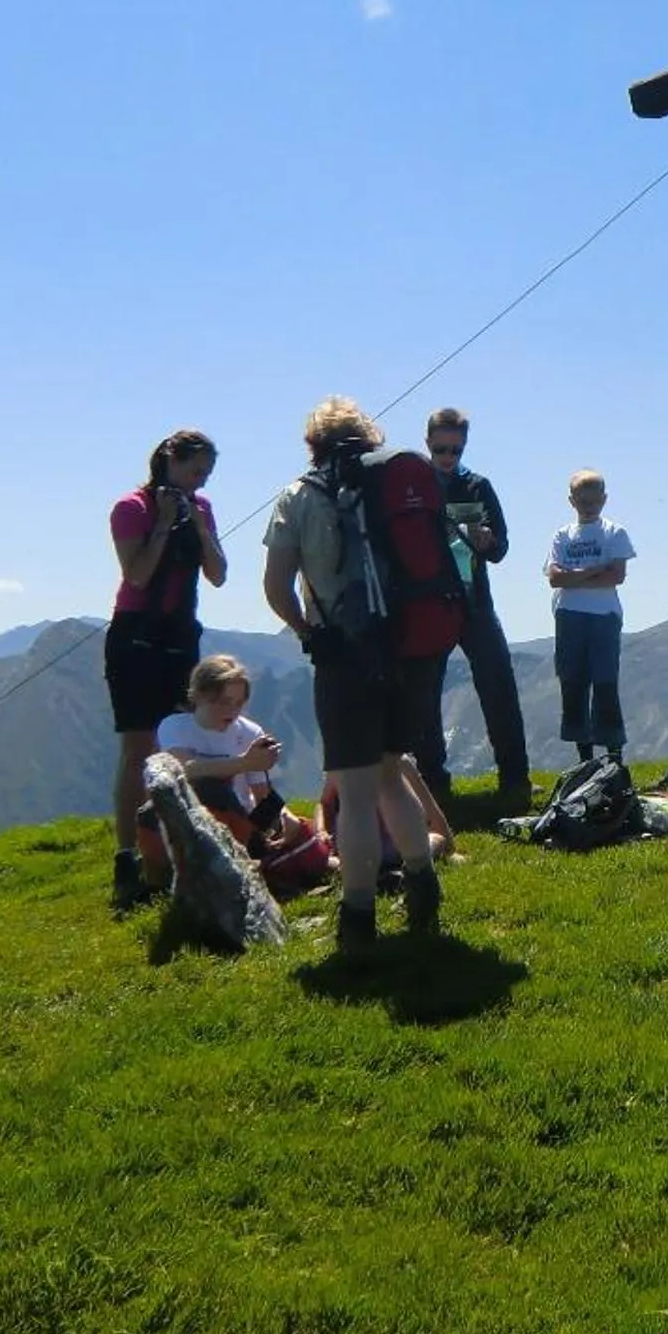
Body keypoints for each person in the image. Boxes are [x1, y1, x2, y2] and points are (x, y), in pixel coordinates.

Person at [262, 396, 444, 955]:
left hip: (343, 655)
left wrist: (308, 630)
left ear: (312, 443)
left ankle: (359, 920)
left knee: (357, 794)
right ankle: (423, 890)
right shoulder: (391, 483)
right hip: (406, 649)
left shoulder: (298, 496)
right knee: (392, 775)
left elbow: (276, 587)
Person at [107, 430, 230, 909]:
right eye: (193, 471)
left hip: (181, 633)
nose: (198, 483)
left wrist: (199, 526)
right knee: (139, 745)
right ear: (168, 462)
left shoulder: (200, 507)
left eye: (205, 476)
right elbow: (135, 574)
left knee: (178, 740)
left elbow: (218, 575)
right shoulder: (131, 507)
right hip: (135, 634)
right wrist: (161, 524)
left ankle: (178, 851)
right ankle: (128, 859)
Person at [421, 408, 531, 807]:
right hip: (430, 603)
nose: (448, 457)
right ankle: (434, 783)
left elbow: (501, 546)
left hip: (474, 601)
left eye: (456, 449)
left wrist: (487, 543)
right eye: (441, 448)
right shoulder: (415, 485)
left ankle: (515, 777)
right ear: (427, 442)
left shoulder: (478, 485)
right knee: (427, 692)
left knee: (498, 682)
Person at [157, 656, 336, 895]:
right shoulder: (175, 726)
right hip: (195, 821)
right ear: (198, 695)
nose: (232, 711)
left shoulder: (250, 732)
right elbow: (182, 769)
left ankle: (296, 865)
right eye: (223, 702)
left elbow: (261, 794)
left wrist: (285, 819)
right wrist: (245, 763)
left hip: (245, 825)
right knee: (210, 789)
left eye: (239, 703)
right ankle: (271, 871)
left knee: (311, 850)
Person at [544, 468, 636, 767]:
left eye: (593, 501)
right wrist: (596, 570)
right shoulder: (562, 535)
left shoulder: (614, 532)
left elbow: (617, 575)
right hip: (568, 616)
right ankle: (585, 759)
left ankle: (613, 755)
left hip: (603, 617)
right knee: (573, 682)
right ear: (572, 501)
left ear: (604, 499)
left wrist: (575, 577)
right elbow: (555, 578)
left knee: (605, 682)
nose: (588, 506)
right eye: (582, 501)